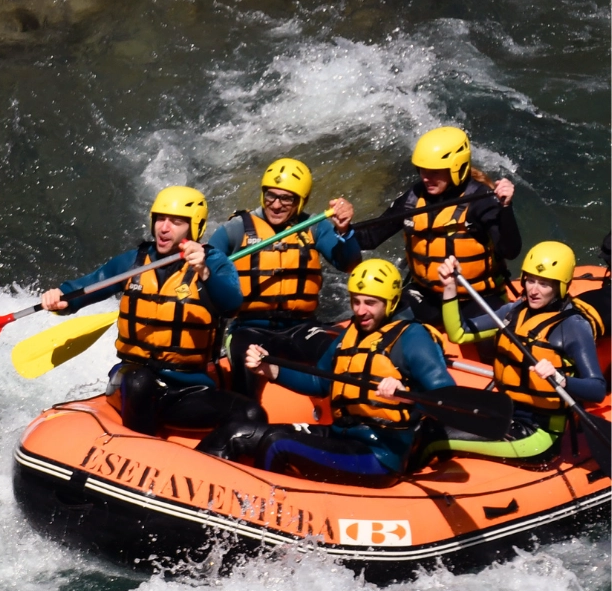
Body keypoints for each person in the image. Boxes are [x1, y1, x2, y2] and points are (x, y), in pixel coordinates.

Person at [208, 259, 455, 483]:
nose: (360, 311)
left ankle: (255, 521)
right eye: (355, 301)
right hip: (340, 435)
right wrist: (271, 369)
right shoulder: (352, 333)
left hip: (379, 454)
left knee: (277, 444)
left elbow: (449, 398)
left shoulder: (412, 337)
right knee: (238, 433)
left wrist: (405, 395)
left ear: (390, 302)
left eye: (370, 303)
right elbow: (319, 381)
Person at [40, 186, 259, 437]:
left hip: (187, 390)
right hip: (131, 382)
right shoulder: (134, 262)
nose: (164, 228)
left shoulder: (214, 263)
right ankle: (135, 446)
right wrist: (61, 298)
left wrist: (204, 272)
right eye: (160, 219)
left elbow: (231, 305)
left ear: (194, 227)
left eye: (176, 222)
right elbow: (89, 286)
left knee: (251, 414)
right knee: (139, 381)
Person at [434, 244, 605, 460]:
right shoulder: (513, 311)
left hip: (538, 433)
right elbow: (458, 333)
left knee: (437, 437)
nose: (533, 290)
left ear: (560, 287)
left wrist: (561, 380)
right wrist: (449, 288)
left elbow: (597, 389)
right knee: (435, 419)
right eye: (530, 280)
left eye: (544, 284)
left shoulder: (573, 326)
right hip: (505, 412)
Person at [207, 158, 360, 395]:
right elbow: (207, 268)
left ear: (301, 201)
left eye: (286, 198)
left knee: (343, 352)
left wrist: (344, 230)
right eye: (270, 196)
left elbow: (349, 263)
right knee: (247, 365)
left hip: (301, 328)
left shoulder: (314, 227)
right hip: (250, 329)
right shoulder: (236, 229)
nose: (276, 205)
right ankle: (246, 419)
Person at [352, 127, 520, 329]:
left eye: (434, 172)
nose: (425, 178)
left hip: (474, 297)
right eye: (422, 170)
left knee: (495, 347)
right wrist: (342, 228)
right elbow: (370, 238)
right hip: (425, 295)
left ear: (456, 168)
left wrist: (505, 207)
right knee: (386, 325)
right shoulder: (414, 198)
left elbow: (510, 251)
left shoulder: (481, 201)